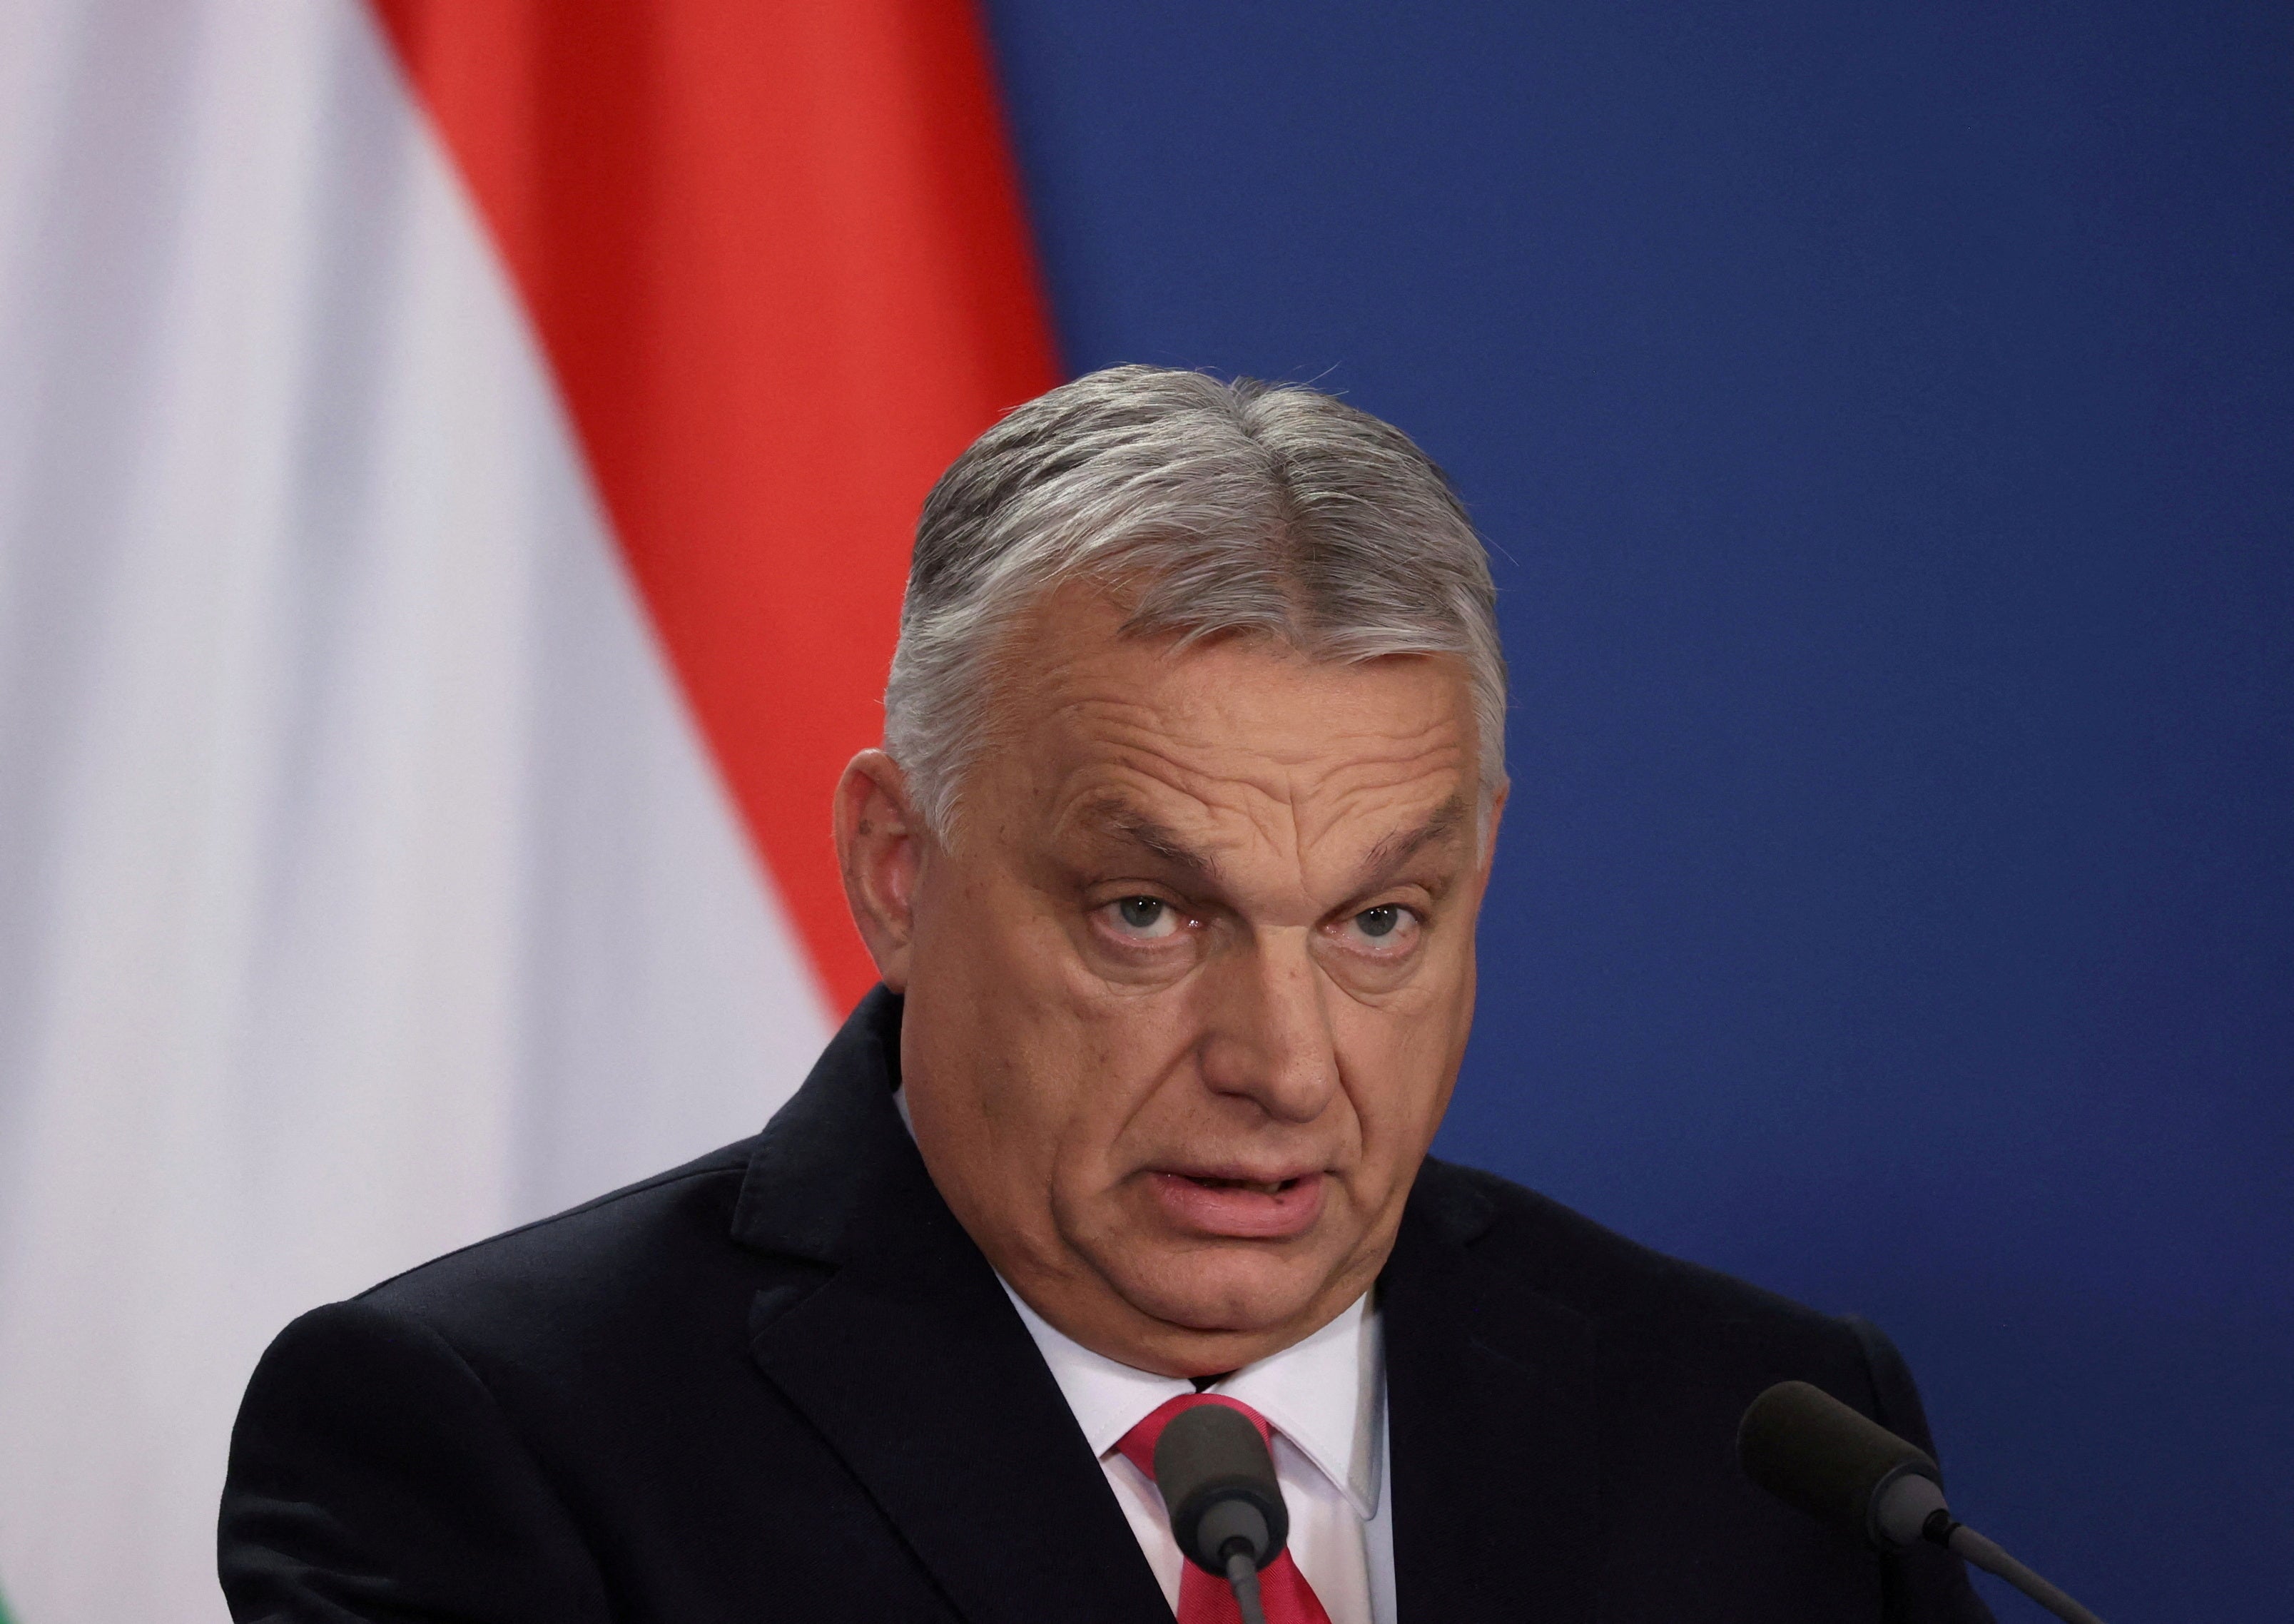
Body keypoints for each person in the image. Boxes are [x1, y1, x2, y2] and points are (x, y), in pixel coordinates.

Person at [220, 366, 1992, 1623]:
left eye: (1379, 921)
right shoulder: (498, 1446)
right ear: (896, 868)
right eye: (1150, 912)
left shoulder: (1770, 1445)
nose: (1287, 1069)